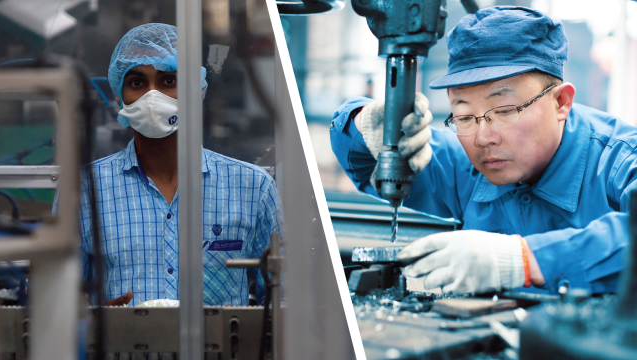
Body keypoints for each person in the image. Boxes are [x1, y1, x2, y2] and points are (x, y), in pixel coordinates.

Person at [330, 7, 637, 295]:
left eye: (504, 111)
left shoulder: (619, 159)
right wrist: (365, 122)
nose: (482, 138)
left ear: (560, 103)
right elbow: (364, 158)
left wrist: (525, 260)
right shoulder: (467, 164)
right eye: (464, 116)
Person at [55, 23, 283, 306]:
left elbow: (284, 300)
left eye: (168, 81)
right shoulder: (84, 189)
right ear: (118, 97)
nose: (153, 98)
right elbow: (59, 305)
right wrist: (96, 321)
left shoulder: (253, 188)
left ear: (197, 92)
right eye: (137, 83)